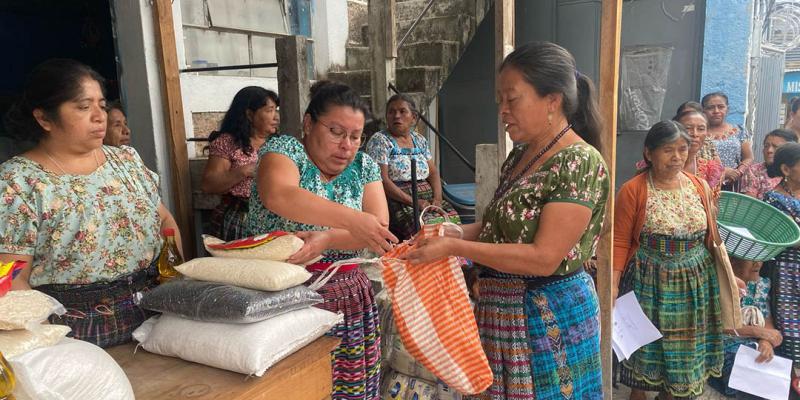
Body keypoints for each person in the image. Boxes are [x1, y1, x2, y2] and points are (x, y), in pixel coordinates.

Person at [405, 41, 609, 399]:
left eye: (512, 99)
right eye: (499, 100)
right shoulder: (520, 156)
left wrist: (453, 246)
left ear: (553, 100)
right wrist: (444, 232)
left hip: (547, 318)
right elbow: (495, 229)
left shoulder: (579, 162)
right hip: (502, 311)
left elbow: (544, 257)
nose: (502, 111)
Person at [0, 59, 182, 348]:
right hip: (73, 331)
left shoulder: (126, 161)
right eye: (84, 107)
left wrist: (172, 278)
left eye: (102, 105)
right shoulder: (18, 182)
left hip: (156, 311)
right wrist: (49, 343)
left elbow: (165, 222)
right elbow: (14, 277)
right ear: (44, 119)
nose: (100, 117)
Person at [247, 80, 397, 399]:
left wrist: (328, 238)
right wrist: (352, 219)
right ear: (308, 123)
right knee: (296, 388)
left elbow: (378, 225)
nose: (346, 145)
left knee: (352, 389)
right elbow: (280, 194)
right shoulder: (285, 151)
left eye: (355, 137)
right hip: (285, 297)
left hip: (349, 296)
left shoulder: (363, 166)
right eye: (336, 132)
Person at [614, 121, 723, 399]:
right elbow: (619, 240)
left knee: (681, 352)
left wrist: (727, 275)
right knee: (644, 348)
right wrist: (612, 286)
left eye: (682, 149)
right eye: (667, 150)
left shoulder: (699, 186)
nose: (676, 157)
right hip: (649, 281)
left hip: (694, 281)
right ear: (649, 153)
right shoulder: (633, 190)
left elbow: (712, 236)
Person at [365, 94, 460, 240]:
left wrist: (438, 199)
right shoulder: (380, 141)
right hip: (398, 200)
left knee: (452, 222)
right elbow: (382, 180)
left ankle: (453, 261)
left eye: (402, 111)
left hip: (427, 198)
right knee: (427, 229)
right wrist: (414, 202)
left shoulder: (420, 140)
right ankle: (428, 262)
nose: (396, 116)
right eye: (391, 112)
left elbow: (433, 173)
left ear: (414, 117)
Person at [201, 86, 279, 241]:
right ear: (250, 114)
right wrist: (245, 171)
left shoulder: (279, 143)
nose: (276, 116)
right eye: (269, 110)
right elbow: (209, 185)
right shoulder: (227, 143)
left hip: (274, 218)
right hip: (239, 219)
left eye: (276, 110)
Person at [708, 257, 782, 397]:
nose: (758, 264)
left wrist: (766, 342)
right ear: (733, 260)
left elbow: (767, 321)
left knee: (770, 371)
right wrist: (758, 332)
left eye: (761, 259)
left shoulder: (761, 284)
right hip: (722, 347)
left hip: (751, 346)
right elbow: (717, 323)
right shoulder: (718, 284)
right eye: (752, 259)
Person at [763, 142, 800, 365]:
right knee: (788, 319)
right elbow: (780, 236)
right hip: (786, 271)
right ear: (786, 170)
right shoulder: (773, 199)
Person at [702, 92, 753, 190]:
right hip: (706, 184)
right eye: (710, 107)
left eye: (721, 107)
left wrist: (738, 172)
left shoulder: (739, 131)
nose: (716, 111)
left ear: (727, 109)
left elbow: (749, 157)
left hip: (734, 184)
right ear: (704, 111)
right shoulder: (699, 132)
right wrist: (722, 172)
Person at [675, 108, 724, 195]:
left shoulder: (711, 171)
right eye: (688, 128)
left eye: (701, 129)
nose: (695, 134)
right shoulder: (659, 164)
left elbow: (712, 205)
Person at [740, 129, 797, 199]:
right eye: (766, 146)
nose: (769, 150)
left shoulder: (796, 172)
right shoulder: (755, 171)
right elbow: (749, 203)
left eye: (776, 147)